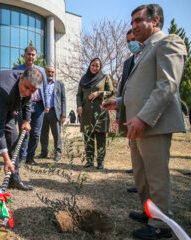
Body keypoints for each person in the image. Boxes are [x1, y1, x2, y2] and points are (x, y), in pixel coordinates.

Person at [102, 4, 186, 239]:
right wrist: (118, 102)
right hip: (137, 124)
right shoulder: (143, 50)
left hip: (153, 124)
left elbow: (167, 85)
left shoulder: (168, 42)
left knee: (156, 176)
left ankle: (161, 224)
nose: (134, 26)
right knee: (141, 174)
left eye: (138, 21)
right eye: (131, 23)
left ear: (155, 20)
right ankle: (149, 212)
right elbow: (139, 88)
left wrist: (144, 118)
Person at [0, 67, 43, 197]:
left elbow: (27, 101)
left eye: (32, 90)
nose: (28, 92)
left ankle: (14, 179)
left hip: (5, 105)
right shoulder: (4, 88)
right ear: (21, 78)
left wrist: (26, 120)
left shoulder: (28, 87)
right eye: (26, 88)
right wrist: (5, 158)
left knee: (13, 138)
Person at [13, 46, 50, 165]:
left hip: (39, 106)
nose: (31, 57)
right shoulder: (17, 69)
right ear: (24, 55)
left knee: (35, 133)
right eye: (28, 54)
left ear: (35, 56)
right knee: (24, 132)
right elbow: (14, 89)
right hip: (23, 106)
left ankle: (30, 157)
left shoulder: (41, 70)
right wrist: (15, 106)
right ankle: (22, 157)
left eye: (33, 55)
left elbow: (44, 88)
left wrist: (47, 104)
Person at [76, 58, 114, 169]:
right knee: (88, 137)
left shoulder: (105, 77)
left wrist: (99, 93)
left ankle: (100, 161)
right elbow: (79, 95)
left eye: (97, 66)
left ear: (100, 67)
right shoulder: (83, 79)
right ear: (90, 66)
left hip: (100, 111)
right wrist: (79, 106)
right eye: (93, 65)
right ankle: (89, 160)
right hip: (86, 112)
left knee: (101, 137)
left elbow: (111, 92)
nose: (94, 67)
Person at [119, 29, 142, 193]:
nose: (131, 43)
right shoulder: (128, 62)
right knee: (134, 149)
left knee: (145, 152)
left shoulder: (149, 55)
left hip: (144, 112)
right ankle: (140, 182)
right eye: (128, 41)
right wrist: (119, 104)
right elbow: (123, 87)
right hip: (130, 111)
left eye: (133, 39)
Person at [38, 66, 66, 161]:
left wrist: (63, 114)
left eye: (52, 72)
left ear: (54, 73)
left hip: (55, 112)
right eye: (49, 72)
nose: (50, 74)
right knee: (43, 134)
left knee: (56, 134)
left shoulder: (59, 84)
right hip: (43, 111)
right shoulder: (41, 84)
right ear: (45, 72)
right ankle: (43, 152)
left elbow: (63, 99)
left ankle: (58, 153)